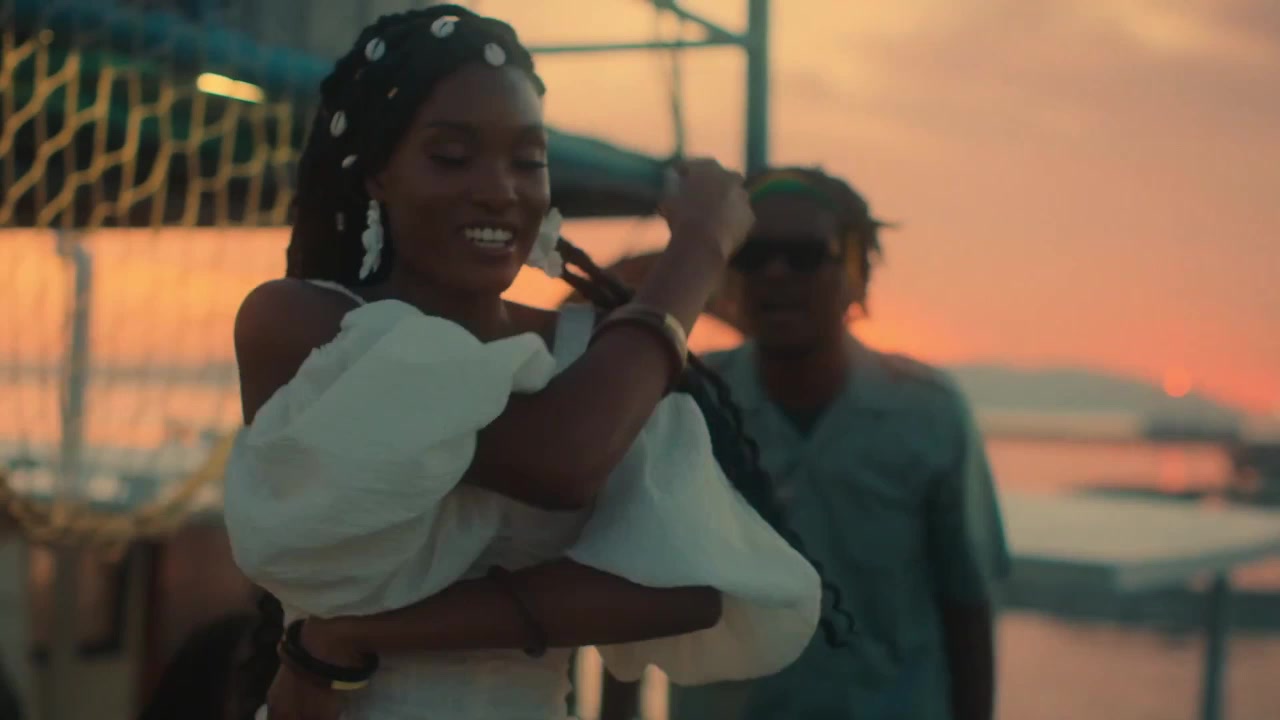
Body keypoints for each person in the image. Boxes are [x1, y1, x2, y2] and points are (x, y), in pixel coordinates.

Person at [223, 8, 852, 720]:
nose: (500, 189)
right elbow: (558, 461)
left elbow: (689, 585)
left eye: (528, 160)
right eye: (451, 156)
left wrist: (358, 636)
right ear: (376, 173)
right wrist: (697, 252)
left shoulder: (594, 351)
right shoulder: (303, 324)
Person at [604, 167, 1011, 720]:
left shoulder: (929, 416)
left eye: (805, 255)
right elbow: (632, 593)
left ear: (857, 275)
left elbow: (968, 605)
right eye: (752, 254)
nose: (775, 272)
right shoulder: (683, 403)